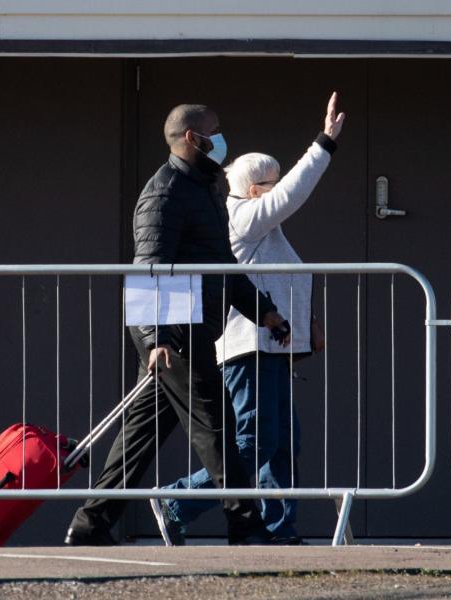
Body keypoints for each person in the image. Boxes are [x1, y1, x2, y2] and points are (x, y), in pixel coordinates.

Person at [64, 103, 291, 546]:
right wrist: (157, 338)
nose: (222, 139)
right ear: (192, 137)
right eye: (215, 131)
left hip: (185, 325)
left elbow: (222, 263)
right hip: (175, 326)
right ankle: (246, 523)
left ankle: (90, 524)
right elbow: (150, 267)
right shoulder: (165, 193)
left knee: (141, 434)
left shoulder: (202, 189)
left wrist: (263, 310)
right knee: (216, 423)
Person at [151, 93, 345, 545]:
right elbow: (295, 193)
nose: (281, 189)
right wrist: (324, 143)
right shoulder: (241, 217)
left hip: (274, 350)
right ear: (256, 189)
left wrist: (308, 324)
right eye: (273, 182)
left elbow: (282, 281)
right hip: (247, 351)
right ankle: (176, 499)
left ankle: (278, 529)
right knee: (251, 444)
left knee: (282, 448)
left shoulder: (266, 228)